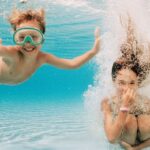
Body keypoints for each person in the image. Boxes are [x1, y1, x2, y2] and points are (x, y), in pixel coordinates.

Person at [0, 9, 100, 84]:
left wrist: (94, 51)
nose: (28, 42)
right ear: (15, 38)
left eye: (34, 37)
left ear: (42, 38)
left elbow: (72, 64)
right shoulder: (12, 53)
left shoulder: (42, 58)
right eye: (22, 37)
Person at [101, 17, 150, 150]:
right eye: (121, 82)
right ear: (113, 81)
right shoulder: (108, 103)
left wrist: (137, 148)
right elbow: (111, 138)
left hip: (139, 144)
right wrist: (124, 106)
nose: (126, 88)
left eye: (132, 83)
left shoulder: (146, 103)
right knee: (129, 121)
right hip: (122, 141)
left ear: (138, 83)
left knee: (146, 122)